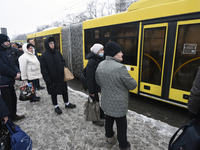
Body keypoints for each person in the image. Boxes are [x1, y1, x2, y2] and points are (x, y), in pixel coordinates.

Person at [95, 41, 137, 150]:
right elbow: (132, 85)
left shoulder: (100, 65)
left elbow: (98, 81)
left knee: (108, 120)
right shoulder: (120, 68)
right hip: (119, 104)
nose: (122, 54)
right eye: (120, 52)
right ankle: (123, 145)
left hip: (106, 101)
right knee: (121, 125)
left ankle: (109, 139)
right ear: (114, 53)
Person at [40, 37, 76, 115]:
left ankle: (67, 103)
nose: (52, 45)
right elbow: (44, 70)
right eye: (50, 43)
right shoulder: (44, 56)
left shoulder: (57, 53)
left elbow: (63, 61)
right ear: (47, 44)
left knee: (64, 91)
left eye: (53, 43)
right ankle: (56, 106)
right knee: (54, 93)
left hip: (61, 76)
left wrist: (63, 67)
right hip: (52, 78)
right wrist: (48, 80)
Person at [0, 34, 25, 121]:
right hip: (3, 82)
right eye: (6, 41)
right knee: (7, 102)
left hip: (10, 81)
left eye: (8, 41)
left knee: (13, 99)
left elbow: (13, 64)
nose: (8, 43)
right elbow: (3, 68)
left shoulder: (6, 51)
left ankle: (13, 115)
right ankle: (9, 121)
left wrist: (18, 72)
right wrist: (14, 74)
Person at [86, 43, 105, 127]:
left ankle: (100, 114)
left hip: (98, 85)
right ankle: (94, 119)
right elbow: (89, 78)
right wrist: (91, 91)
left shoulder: (99, 59)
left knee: (97, 101)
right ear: (97, 51)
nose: (103, 51)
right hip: (93, 86)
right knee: (94, 102)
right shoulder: (91, 62)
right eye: (101, 50)